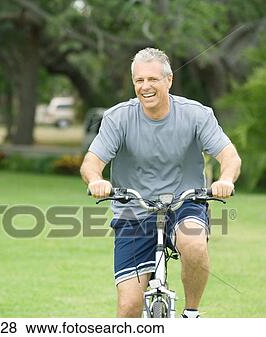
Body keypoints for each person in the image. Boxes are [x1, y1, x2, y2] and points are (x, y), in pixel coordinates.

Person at [80, 48, 241, 318]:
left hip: (185, 202)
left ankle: (191, 313)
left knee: (193, 243)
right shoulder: (118, 118)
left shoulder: (196, 115)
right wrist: (97, 180)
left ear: (169, 81)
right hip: (133, 209)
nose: (146, 87)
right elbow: (91, 163)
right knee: (129, 307)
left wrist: (225, 179)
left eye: (153, 79)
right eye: (139, 80)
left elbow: (230, 156)